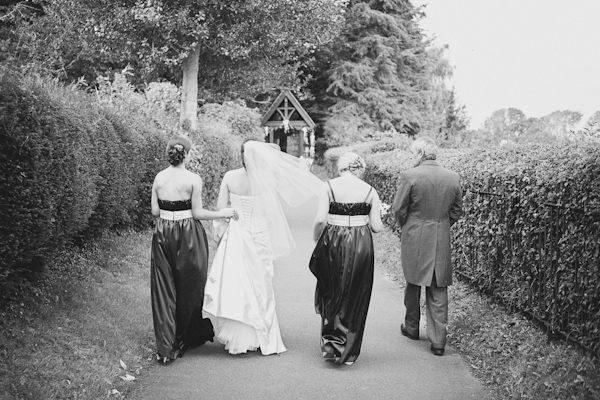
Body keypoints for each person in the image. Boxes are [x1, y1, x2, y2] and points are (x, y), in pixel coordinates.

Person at [203, 140, 323, 355]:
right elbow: (270, 211)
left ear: (241, 156)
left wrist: (227, 220)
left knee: (239, 284)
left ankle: (238, 336)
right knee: (261, 287)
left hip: (238, 234)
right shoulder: (266, 180)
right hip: (259, 236)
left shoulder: (230, 177)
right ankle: (264, 337)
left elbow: (222, 209)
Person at [150, 136, 238, 364]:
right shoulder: (193, 179)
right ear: (187, 155)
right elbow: (197, 213)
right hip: (188, 235)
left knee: (163, 287)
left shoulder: (159, 178)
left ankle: (166, 345)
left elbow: (154, 211)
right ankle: (183, 336)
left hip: (162, 233)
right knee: (191, 284)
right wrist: (222, 213)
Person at [309, 152, 383, 365]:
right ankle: (349, 351)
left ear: (341, 167)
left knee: (331, 289)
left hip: (334, 240)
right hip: (361, 243)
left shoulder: (328, 186)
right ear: (359, 168)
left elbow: (320, 219)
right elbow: (377, 227)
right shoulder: (370, 191)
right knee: (356, 294)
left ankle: (331, 346)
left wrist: (317, 239)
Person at [392, 137, 463, 356]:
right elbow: (457, 210)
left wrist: (409, 225)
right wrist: (441, 225)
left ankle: (412, 328)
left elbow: (398, 209)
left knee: (413, 282)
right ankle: (438, 341)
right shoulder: (453, 177)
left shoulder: (409, 176)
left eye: (413, 153)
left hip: (415, 235)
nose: (411, 157)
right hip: (440, 236)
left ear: (421, 153)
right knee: (438, 287)